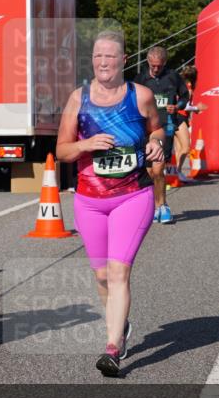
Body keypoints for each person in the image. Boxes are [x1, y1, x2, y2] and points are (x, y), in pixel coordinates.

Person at [57, 31, 164, 378]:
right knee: (101, 275)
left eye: (110, 57)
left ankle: (113, 347)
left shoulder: (141, 96)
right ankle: (122, 326)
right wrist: (85, 144)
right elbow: (61, 151)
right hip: (89, 200)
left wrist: (156, 144)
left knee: (119, 272)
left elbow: (158, 129)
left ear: (123, 60)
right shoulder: (79, 99)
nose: (103, 63)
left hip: (133, 195)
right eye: (98, 57)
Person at [133, 46, 188, 224]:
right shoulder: (140, 78)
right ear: (148, 62)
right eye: (153, 65)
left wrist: (177, 106)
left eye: (159, 66)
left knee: (158, 169)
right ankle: (155, 206)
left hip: (166, 127)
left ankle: (163, 206)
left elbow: (185, 97)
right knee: (149, 172)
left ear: (165, 63)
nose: (156, 69)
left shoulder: (172, 76)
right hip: (145, 129)